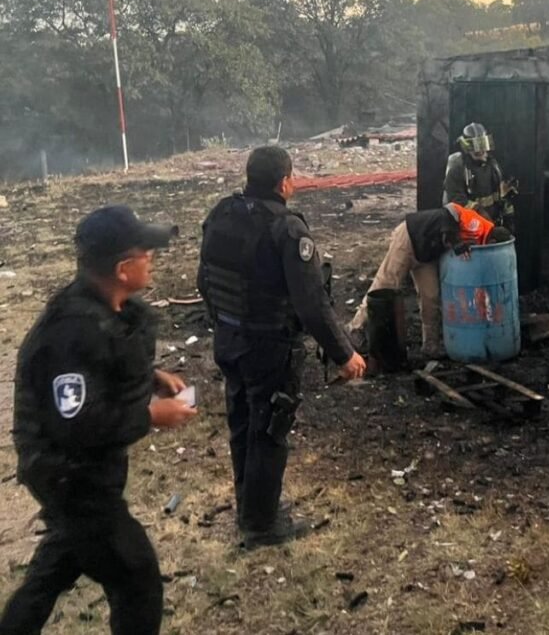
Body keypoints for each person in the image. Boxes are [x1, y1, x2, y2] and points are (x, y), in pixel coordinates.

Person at [0, 206, 197, 634]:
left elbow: (104, 366)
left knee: (59, 562)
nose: (152, 259)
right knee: (136, 576)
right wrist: (150, 414)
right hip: (68, 475)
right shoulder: (72, 331)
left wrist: (151, 378)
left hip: (83, 471)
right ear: (123, 269)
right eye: (145, 253)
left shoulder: (106, 309)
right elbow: (76, 424)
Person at [197, 146, 366, 549]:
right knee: (270, 429)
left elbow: (204, 280)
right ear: (284, 182)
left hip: (229, 338)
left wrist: (223, 322)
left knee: (242, 423)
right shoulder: (287, 230)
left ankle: (249, 507)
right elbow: (311, 303)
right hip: (269, 345)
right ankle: (261, 525)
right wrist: (344, 354)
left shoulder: (222, 213)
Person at [348, 203, 512, 359]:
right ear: (493, 241)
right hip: (409, 237)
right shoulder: (477, 226)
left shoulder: (482, 233)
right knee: (385, 285)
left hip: (426, 253)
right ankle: (355, 327)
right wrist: (456, 242)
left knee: (430, 297)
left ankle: (430, 345)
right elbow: (450, 210)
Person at [443, 122, 516, 230]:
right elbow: (458, 202)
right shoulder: (457, 170)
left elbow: (502, 196)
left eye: (483, 144)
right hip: (469, 230)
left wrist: (509, 220)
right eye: (476, 146)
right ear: (466, 147)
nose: (481, 150)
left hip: (492, 226)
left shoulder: (493, 166)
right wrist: (482, 215)